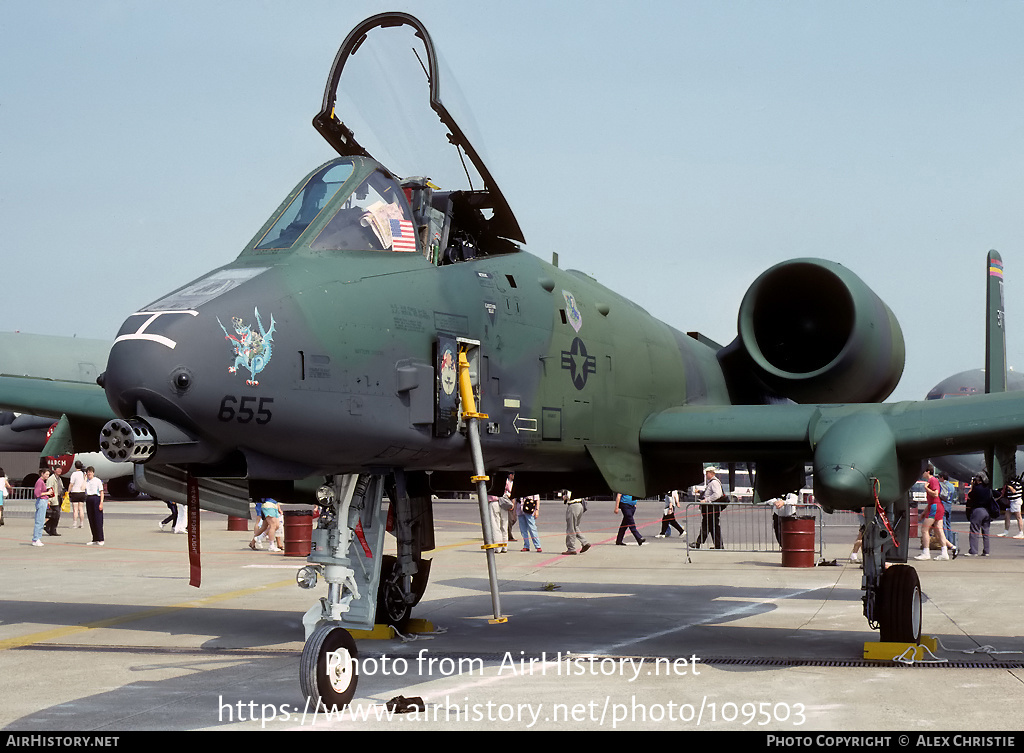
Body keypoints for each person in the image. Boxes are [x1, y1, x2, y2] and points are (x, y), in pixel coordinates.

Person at [915, 465, 952, 560]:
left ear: (927, 472)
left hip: (934, 507)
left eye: (923, 471)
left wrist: (926, 488)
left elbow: (935, 494)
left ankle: (926, 552)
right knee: (939, 530)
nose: (922, 474)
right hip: (936, 506)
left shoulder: (932, 481)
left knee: (924, 530)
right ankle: (944, 552)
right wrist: (924, 513)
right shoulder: (933, 481)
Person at [964, 471, 999, 556]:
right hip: (987, 511)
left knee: (974, 531)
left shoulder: (976, 489)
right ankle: (986, 551)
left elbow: (970, 495)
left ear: (977, 480)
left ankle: (974, 551)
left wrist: (972, 486)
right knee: (986, 532)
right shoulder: (988, 489)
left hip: (978, 510)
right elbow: (998, 494)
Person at [692, 467, 726, 549]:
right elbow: (709, 493)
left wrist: (706, 500)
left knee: (706, 526)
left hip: (711, 508)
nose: (706, 475)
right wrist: (700, 492)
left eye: (707, 473)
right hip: (711, 508)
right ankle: (718, 545)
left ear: (711, 473)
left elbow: (717, 494)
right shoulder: (712, 482)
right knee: (713, 527)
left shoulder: (714, 483)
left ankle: (698, 543)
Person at [562, 490, 591, 555]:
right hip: (580, 505)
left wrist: (565, 497)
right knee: (575, 526)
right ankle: (585, 542)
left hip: (573, 505)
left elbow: (568, 496)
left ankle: (571, 548)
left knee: (571, 528)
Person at [997, 474, 1024, 539]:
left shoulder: (1014, 484)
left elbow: (1014, 491)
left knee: (1018, 517)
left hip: (1015, 501)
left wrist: (1009, 486)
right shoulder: (1014, 483)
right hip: (1011, 501)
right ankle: (1006, 532)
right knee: (1007, 516)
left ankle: (1021, 532)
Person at [84, 466, 105, 546]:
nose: (89, 474)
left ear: (93, 473)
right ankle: (94, 538)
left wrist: (101, 503)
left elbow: (101, 492)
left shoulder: (97, 481)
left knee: (98, 519)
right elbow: (82, 488)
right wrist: (85, 480)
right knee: (91, 519)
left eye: (90, 472)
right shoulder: (86, 481)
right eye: (88, 472)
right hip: (89, 498)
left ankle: (101, 538)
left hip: (96, 498)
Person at [31, 468, 53, 546]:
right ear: (42, 474)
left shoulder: (41, 482)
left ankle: (37, 538)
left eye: (48, 474)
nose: (47, 476)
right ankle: (36, 538)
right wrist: (47, 492)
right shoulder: (40, 482)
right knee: (39, 520)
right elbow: (37, 493)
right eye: (46, 474)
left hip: (43, 501)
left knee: (41, 520)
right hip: (41, 501)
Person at [938, 471, 957, 543]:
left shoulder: (942, 485)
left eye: (939, 477)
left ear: (942, 478)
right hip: (949, 505)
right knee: (949, 524)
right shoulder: (952, 486)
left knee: (943, 525)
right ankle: (950, 540)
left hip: (943, 504)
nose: (939, 479)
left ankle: (945, 542)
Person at [68, 461, 87, 529]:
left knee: (75, 509)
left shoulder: (74, 474)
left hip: (75, 492)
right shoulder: (84, 474)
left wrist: (68, 491)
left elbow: (71, 484)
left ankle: (74, 524)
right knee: (81, 509)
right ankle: (81, 523)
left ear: (75, 466)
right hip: (82, 492)